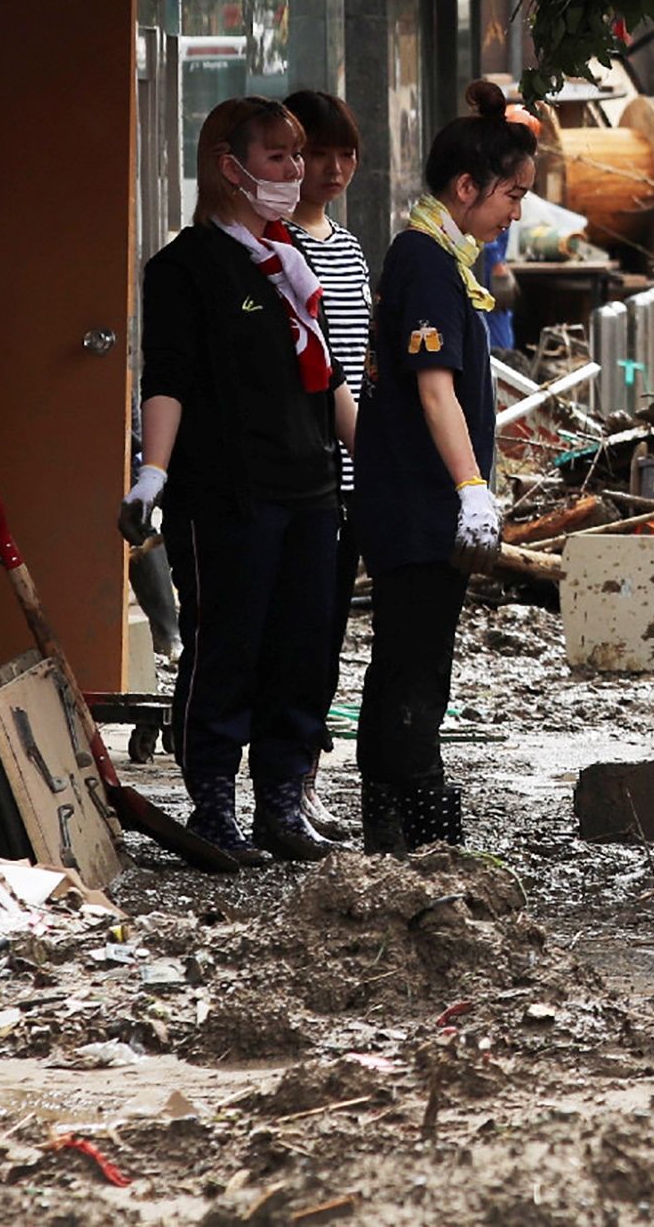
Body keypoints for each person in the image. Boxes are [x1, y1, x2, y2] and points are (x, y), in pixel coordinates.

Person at [123, 97, 358, 866]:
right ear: (230, 167)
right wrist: (152, 473)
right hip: (228, 490)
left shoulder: (292, 259)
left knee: (302, 650)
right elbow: (167, 380)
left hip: (309, 486)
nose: (297, 170)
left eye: (298, 155)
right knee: (227, 646)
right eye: (279, 157)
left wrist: (381, 463)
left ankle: (282, 803)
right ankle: (213, 804)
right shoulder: (185, 268)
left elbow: (329, 380)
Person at [349, 81, 539, 852]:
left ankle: (390, 822)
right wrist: (471, 491)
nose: (515, 213)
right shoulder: (427, 263)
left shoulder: (437, 256)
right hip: (417, 501)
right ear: (467, 187)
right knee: (417, 667)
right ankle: (422, 824)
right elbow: (435, 391)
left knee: (402, 660)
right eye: (511, 195)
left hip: (413, 498)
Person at [282, 89, 370, 846]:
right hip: (297, 471)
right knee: (291, 637)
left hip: (348, 476)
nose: (333, 168)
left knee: (325, 637)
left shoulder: (346, 246)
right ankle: (276, 788)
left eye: (346, 154)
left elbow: (359, 359)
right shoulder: (273, 246)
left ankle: (303, 783)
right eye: (318, 153)